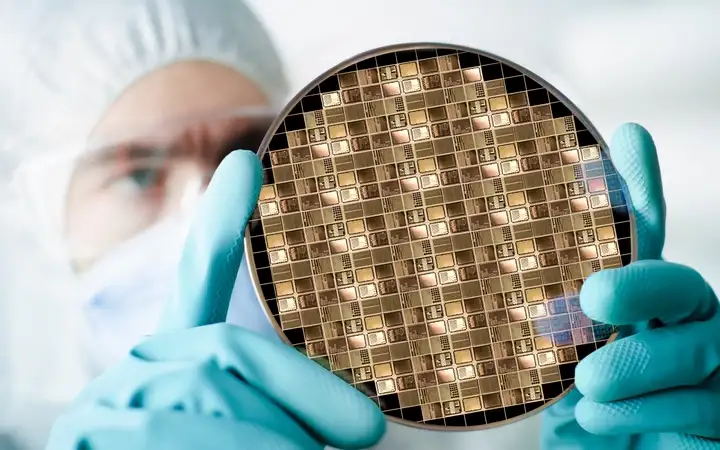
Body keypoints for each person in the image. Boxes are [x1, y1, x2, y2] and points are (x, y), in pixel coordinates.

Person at [2, 1, 719, 450]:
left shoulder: (497, 420)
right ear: (33, 229)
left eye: (240, 154)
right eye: (138, 171)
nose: (205, 208)